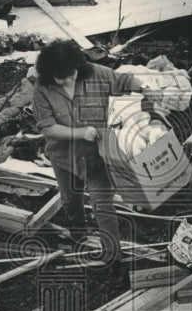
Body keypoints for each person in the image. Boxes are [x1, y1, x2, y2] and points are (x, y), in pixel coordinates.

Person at [32, 40, 161, 270]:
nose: (67, 80)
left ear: (77, 66)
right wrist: (79, 133)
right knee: (71, 199)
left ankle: (112, 257)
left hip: (97, 157)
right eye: (60, 78)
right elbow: (48, 127)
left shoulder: (99, 75)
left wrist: (144, 88)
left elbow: (124, 80)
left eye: (70, 74)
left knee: (103, 205)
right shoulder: (42, 89)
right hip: (64, 157)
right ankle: (78, 231)